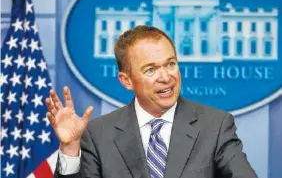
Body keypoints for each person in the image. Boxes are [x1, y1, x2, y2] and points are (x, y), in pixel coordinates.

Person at [46, 25, 258, 178]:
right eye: (151, 70)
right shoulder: (98, 135)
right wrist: (71, 149)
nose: (166, 77)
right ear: (126, 81)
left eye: (170, 64)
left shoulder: (215, 126)